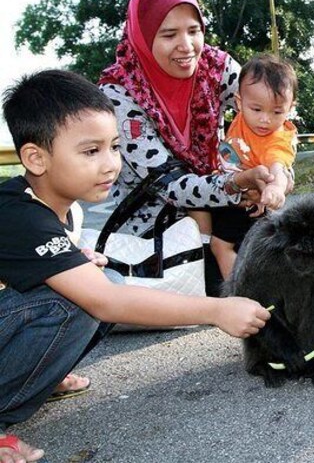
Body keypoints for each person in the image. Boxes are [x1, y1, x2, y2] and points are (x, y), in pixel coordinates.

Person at [0, 70, 270, 463]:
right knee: (77, 301)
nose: (111, 164)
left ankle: (35, 376)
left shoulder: (63, 210)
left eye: (113, 147)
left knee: (96, 277)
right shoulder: (18, 213)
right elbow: (106, 302)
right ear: (35, 158)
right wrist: (217, 309)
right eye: (91, 152)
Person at [98, 0, 274, 297]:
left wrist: (276, 176)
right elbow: (171, 186)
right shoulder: (121, 95)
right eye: (169, 34)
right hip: (154, 224)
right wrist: (236, 185)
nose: (187, 46)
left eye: (193, 31)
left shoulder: (216, 67)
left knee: (272, 236)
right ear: (142, 36)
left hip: (217, 194)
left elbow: (272, 112)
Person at [188, 54, 297, 280]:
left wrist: (275, 188)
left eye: (277, 112)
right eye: (257, 109)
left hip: (247, 201)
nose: (265, 119)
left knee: (221, 246)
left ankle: (238, 292)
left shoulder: (276, 139)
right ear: (239, 103)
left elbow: (279, 166)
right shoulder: (243, 116)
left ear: (290, 108)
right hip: (227, 190)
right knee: (198, 211)